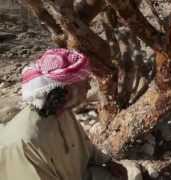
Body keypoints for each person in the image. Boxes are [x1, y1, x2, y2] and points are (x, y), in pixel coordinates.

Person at [0, 48, 126, 180]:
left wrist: (107, 161)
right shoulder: (27, 141)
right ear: (67, 91)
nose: (89, 88)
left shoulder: (63, 111)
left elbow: (84, 145)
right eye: (85, 83)